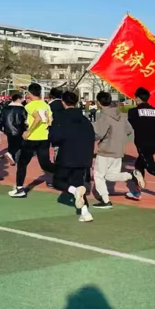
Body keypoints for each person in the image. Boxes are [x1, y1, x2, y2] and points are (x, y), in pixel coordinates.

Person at [49, 91, 95, 222]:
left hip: (67, 155)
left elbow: (55, 138)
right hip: (84, 156)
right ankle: (85, 212)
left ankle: (74, 191)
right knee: (79, 184)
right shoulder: (85, 119)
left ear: (63, 102)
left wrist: (51, 126)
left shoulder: (60, 118)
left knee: (58, 181)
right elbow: (92, 136)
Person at [10, 83, 56, 198]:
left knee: (22, 163)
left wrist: (28, 131)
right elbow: (50, 120)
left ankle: (20, 188)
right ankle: (65, 171)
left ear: (30, 93)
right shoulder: (46, 105)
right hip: (44, 137)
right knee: (45, 164)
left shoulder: (30, 105)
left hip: (32, 138)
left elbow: (38, 118)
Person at [92, 91, 136, 209]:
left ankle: (105, 200)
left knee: (99, 175)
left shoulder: (104, 116)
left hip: (106, 149)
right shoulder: (120, 115)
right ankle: (131, 175)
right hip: (118, 149)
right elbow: (129, 130)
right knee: (110, 175)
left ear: (99, 103)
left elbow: (98, 134)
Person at [2, 93, 27, 166]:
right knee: (20, 145)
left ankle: (11, 159)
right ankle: (13, 156)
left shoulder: (5, 108)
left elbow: (1, 118)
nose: (23, 100)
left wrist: (2, 127)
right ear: (18, 99)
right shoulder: (22, 109)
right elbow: (25, 119)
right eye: (21, 99)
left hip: (8, 129)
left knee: (11, 144)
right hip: (19, 128)